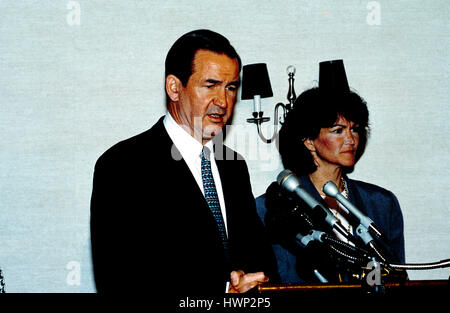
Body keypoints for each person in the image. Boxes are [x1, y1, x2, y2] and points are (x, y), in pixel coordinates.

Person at [90, 29, 278, 295]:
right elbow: (120, 278)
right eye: (210, 85)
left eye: (231, 87)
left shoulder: (233, 166)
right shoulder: (123, 166)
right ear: (175, 88)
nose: (223, 102)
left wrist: (252, 282)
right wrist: (221, 293)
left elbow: (261, 260)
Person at [256, 60, 406, 283]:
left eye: (355, 129)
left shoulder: (382, 204)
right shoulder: (270, 207)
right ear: (308, 140)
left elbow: (397, 279)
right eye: (338, 130)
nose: (351, 139)